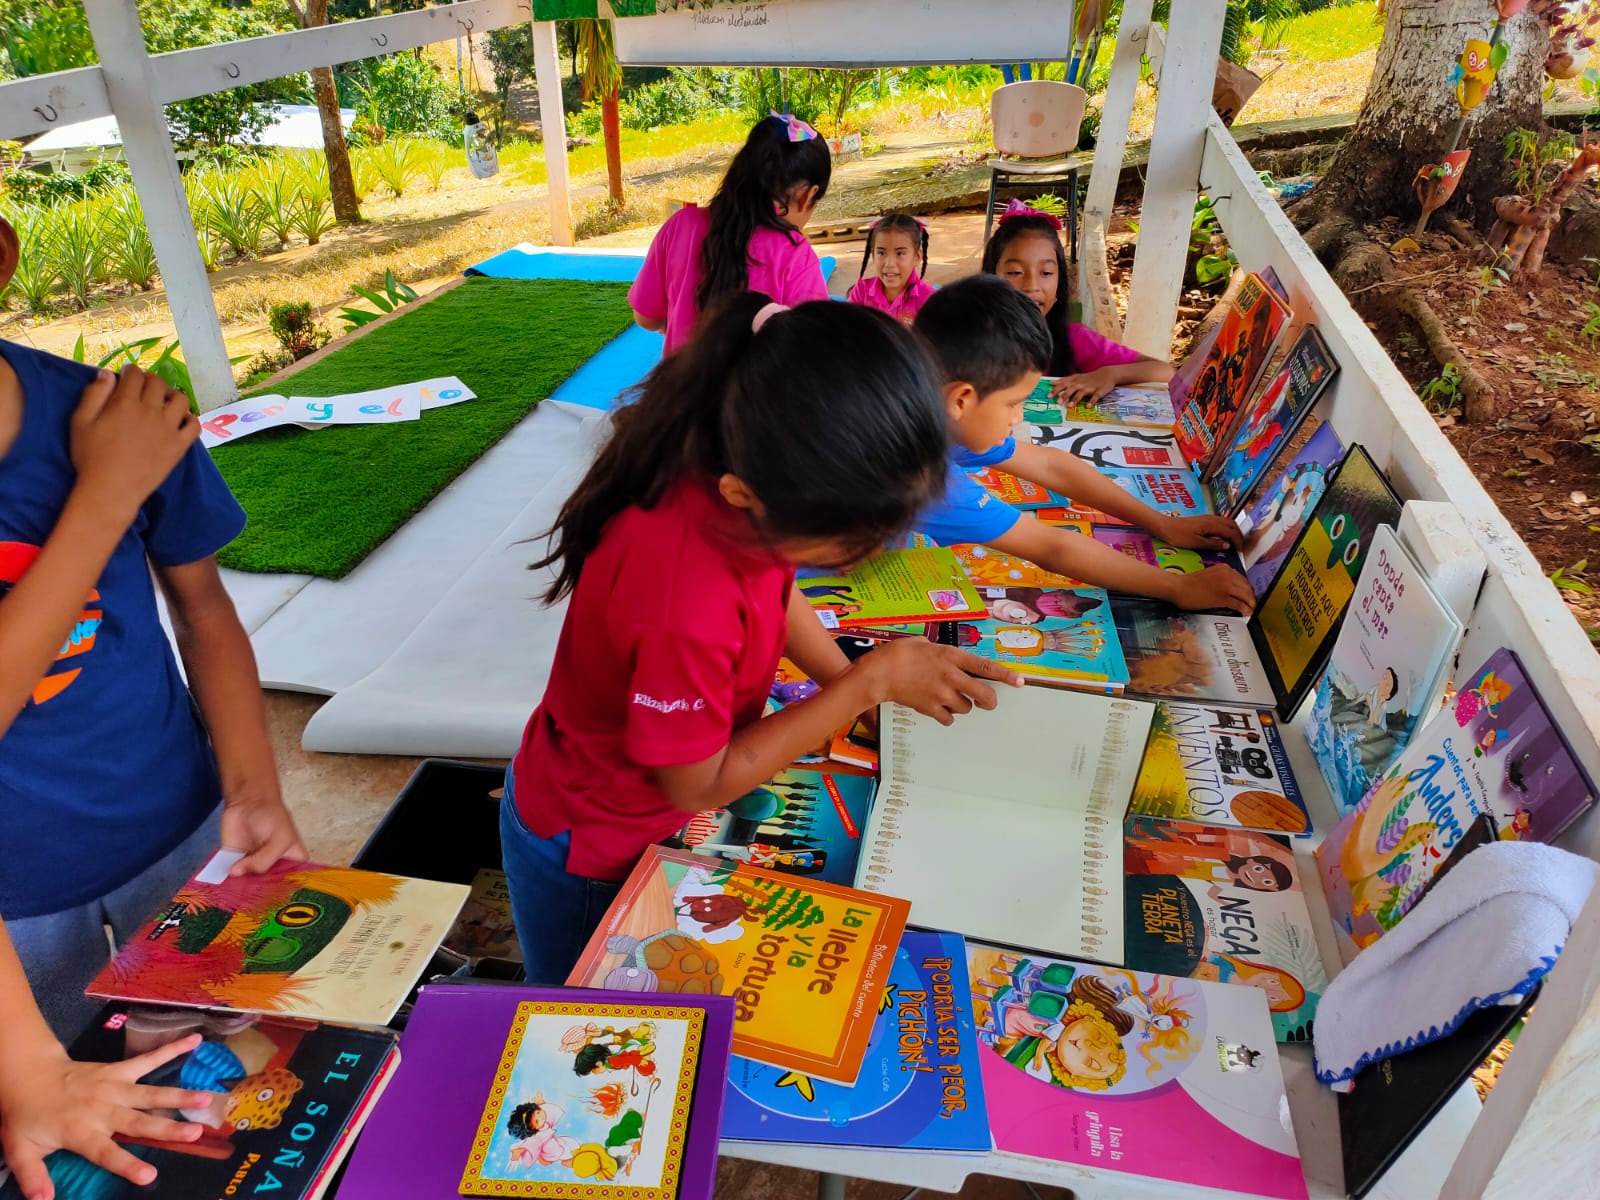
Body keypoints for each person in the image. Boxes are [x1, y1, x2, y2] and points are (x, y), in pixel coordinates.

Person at [503, 294, 1022, 984]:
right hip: (595, 848)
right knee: (581, 1010)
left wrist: (850, 684)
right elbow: (698, 784)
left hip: (626, 806)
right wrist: (868, 683)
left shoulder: (742, 458)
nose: (865, 556)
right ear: (746, 495)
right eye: (852, 542)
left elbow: (775, 591)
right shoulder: (683, 601)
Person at [0, 204, 302, 1200]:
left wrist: (251, 787)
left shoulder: (113, 415)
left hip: (174, 828)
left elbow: (204, 605)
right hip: (17, 910)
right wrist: (103, 499)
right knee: (51, 1104)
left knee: (208, 1052)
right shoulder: (115, 455)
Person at [912, 276, 1255, 615]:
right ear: (961, 399)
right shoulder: (924, 477)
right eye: (1012, 403)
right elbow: (1052, 547)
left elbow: (1049, 465)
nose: (1018, 419)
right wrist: (1178, 587)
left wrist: (1161, 523)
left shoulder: (937, 415)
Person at [628, 112, 832, 355]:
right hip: (756, 393)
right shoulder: (796, 253)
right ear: (808, 194)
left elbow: (646, 317)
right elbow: (812, 349)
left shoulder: (680, 225)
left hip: (679, 390)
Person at [982, 201, 1175, 404]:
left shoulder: (1073, 339)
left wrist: (1110, 374)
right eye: (1015, 273)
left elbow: (1165, 372)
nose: (1032, 286)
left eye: (1046, 273)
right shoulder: (966, 338)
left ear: (1059, 285)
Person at [846, 213, 936, 327]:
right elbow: (848, 331)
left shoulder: (929, 300)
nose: (889, 264)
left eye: (900, 253)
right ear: (873, 256)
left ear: (916, 257)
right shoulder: (861, 291)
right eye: (881, 253)